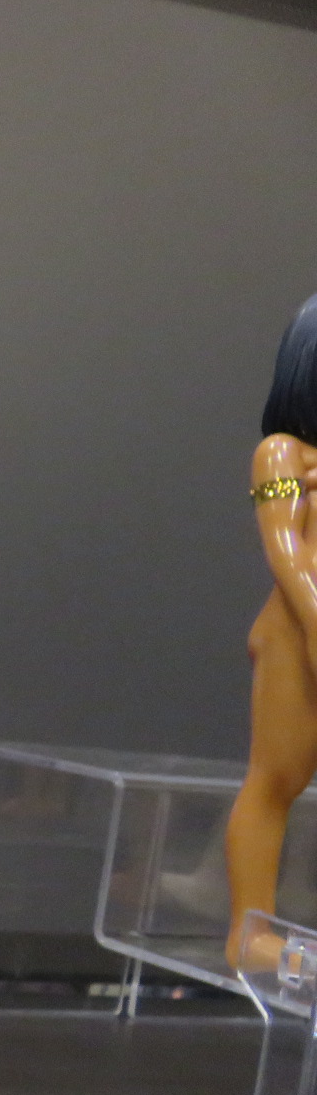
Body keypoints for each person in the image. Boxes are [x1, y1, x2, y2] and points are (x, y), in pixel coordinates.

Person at [226, 291, 317, 968]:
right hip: (294, 632)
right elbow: (285, 548)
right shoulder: (281, 456)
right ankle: (248, 934)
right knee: (274, 781)